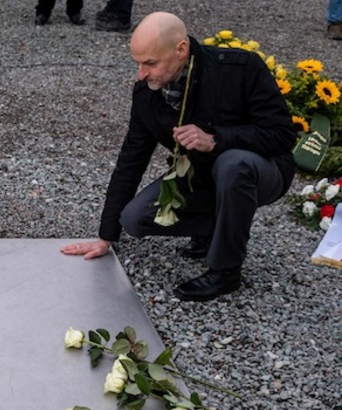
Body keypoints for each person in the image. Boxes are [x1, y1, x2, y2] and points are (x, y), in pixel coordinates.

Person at [61, 12, 296, 301]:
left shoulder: (240, 68)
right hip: (200, 177)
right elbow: (131, 160)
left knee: (233, 164)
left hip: (263, 170)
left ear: (181, 50)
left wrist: (217, 139)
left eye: (150, 63)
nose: (142, 74)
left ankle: (225, 271)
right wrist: (106, 236)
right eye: (138, 63)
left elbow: (282, 136)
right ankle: (217, 227)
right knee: (135, 219)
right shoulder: (147, 95)